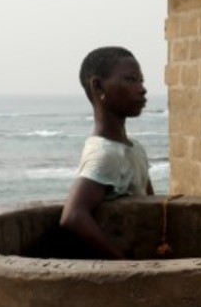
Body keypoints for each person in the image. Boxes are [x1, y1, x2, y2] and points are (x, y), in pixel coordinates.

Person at [59, 46, 154, 259]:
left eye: (141, 81)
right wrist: (122, 263)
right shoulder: (105, 154)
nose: (142, 89)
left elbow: (150, 202)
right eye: (130, 80)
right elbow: (73, 216)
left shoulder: (134, 148)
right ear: (98, 86)